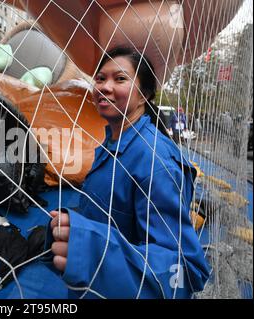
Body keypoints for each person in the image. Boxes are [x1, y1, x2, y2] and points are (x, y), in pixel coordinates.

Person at [45, 47, 210, 298]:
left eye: (120, 79)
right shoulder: (110, 142)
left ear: (144, 95)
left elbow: (186, 270)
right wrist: (74, 226)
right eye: (100, 78)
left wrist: (93, 249)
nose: (105, 87)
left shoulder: (156, 161)